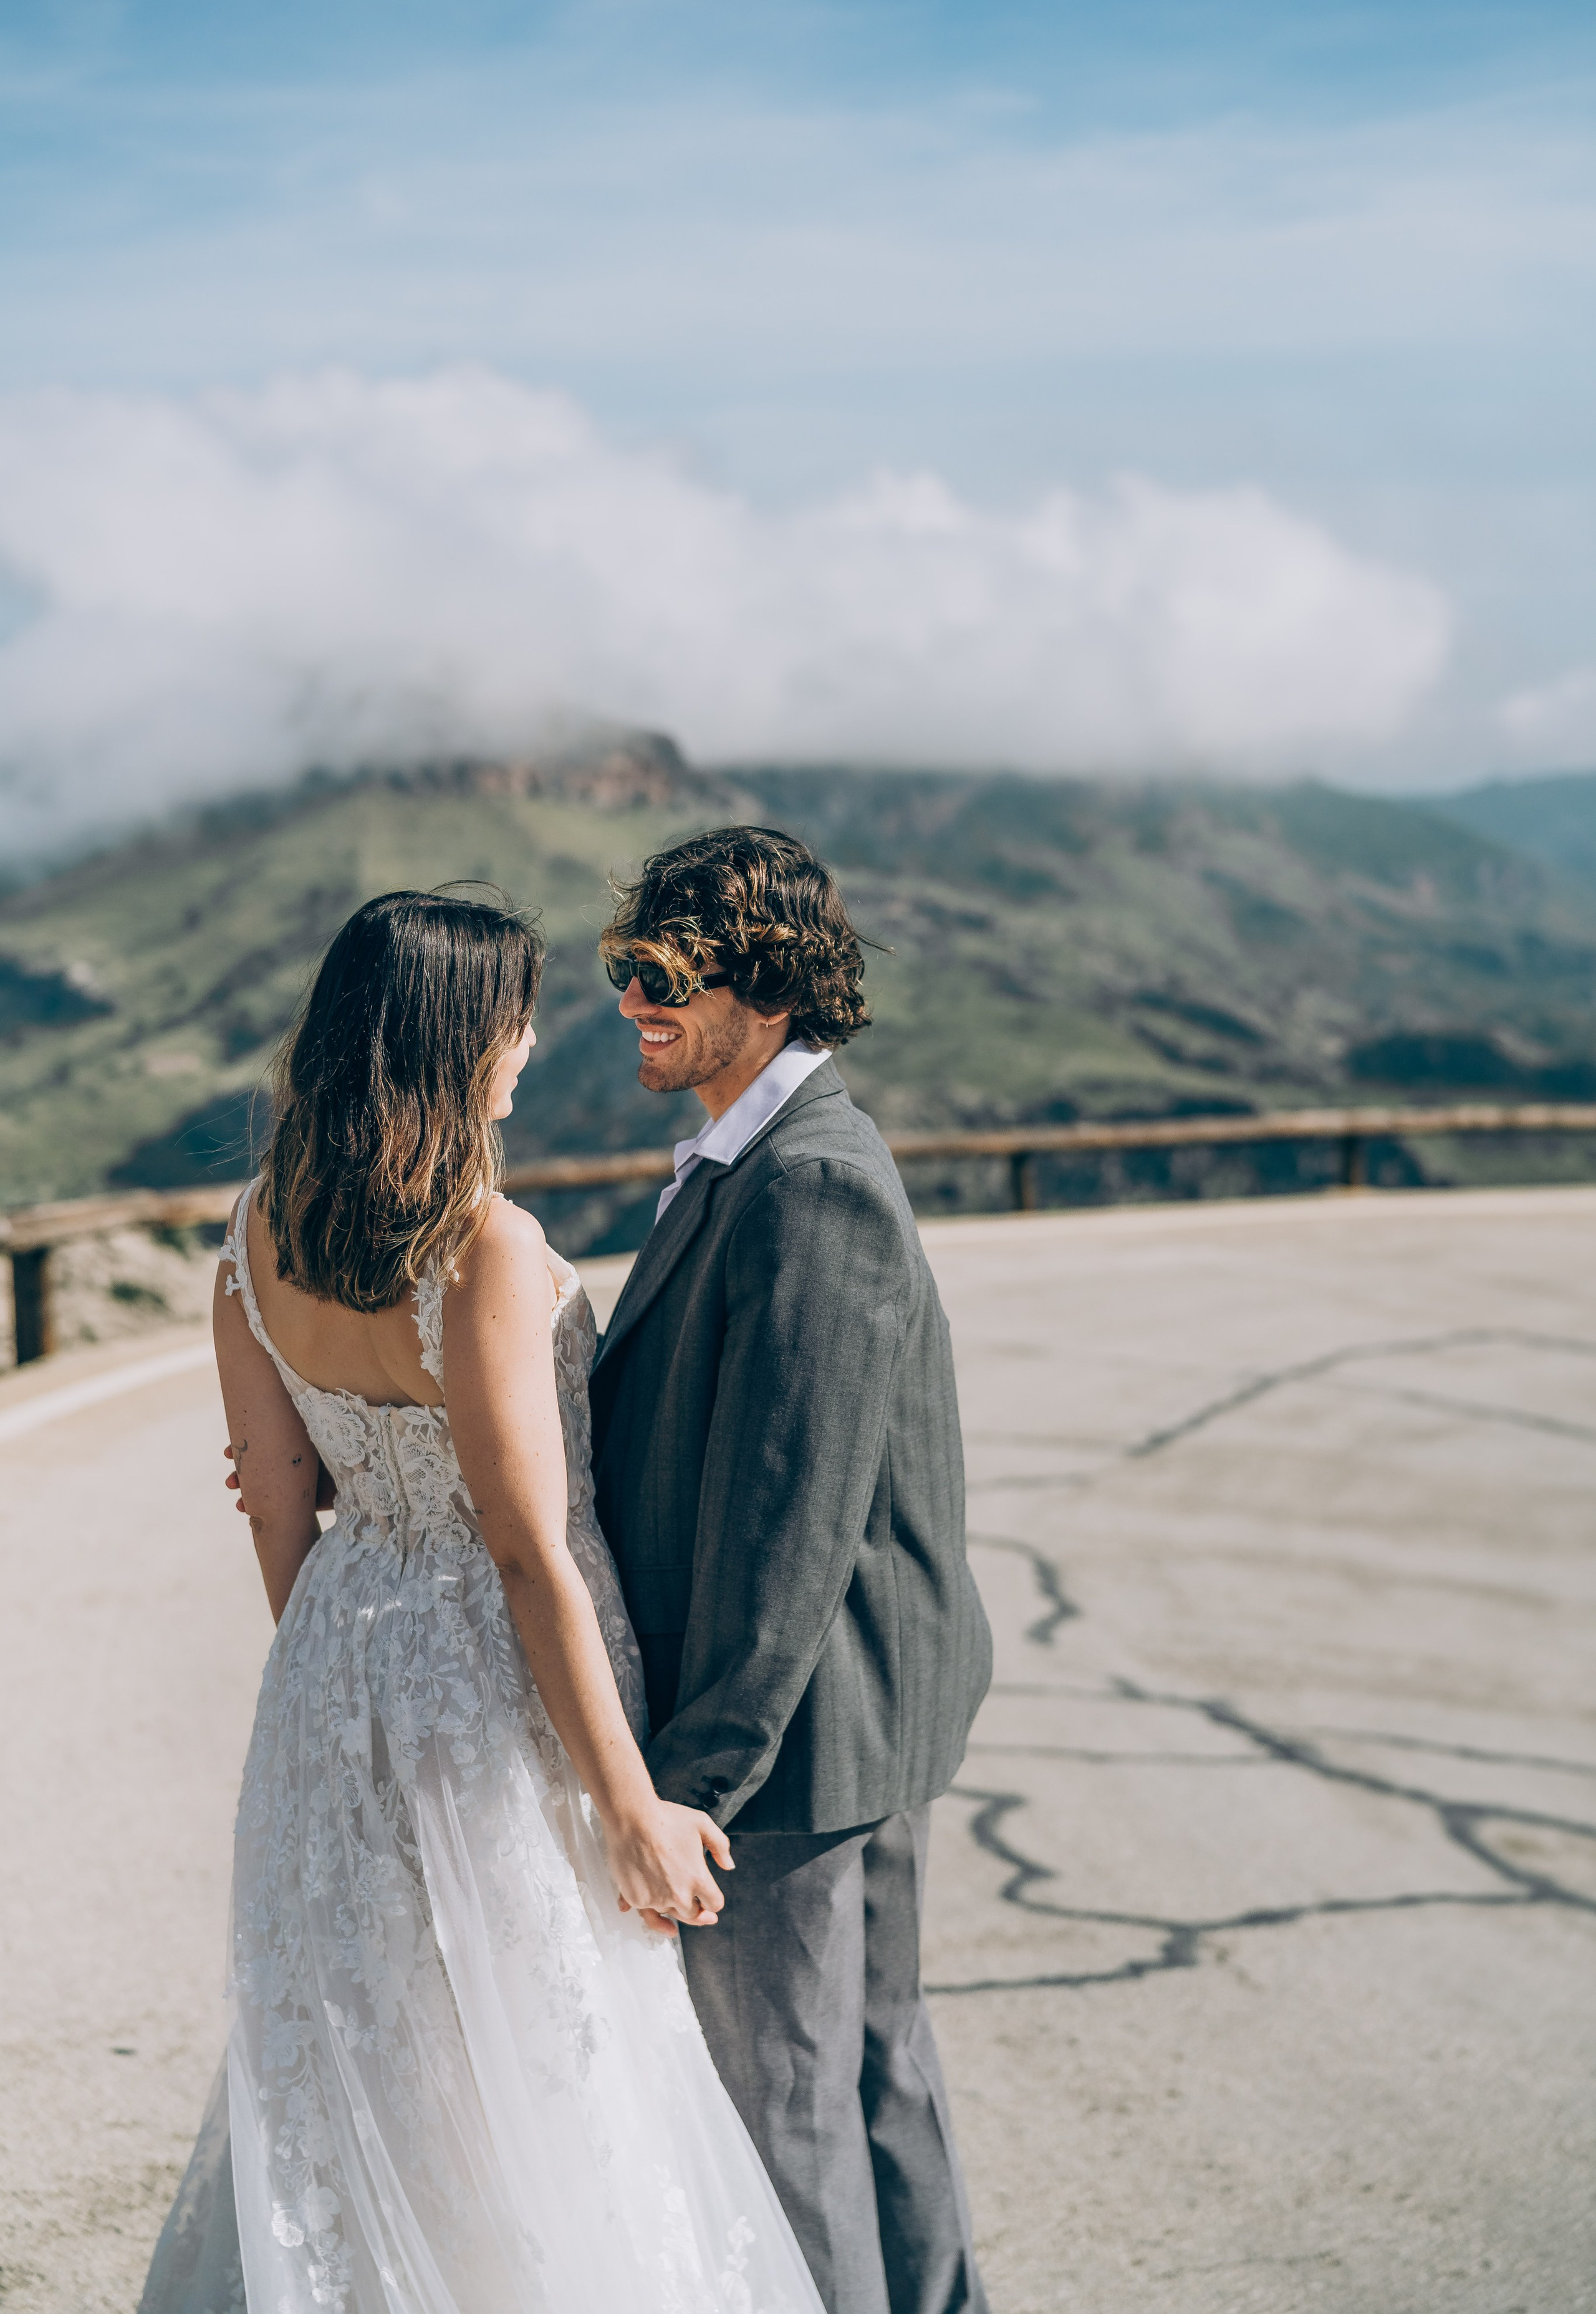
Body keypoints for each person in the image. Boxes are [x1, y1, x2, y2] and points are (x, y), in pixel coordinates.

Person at [142, 889, 825, 2314]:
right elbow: (525, 1548)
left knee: (369, 2036)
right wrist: (632, 1804)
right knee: (531, 2032)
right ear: (458, 1038)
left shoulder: (257, 1224)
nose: (529, 1040)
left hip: (332, 1658)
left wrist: (336, 1669)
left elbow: (276, 1499)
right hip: (492, 1660)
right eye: (512, 1014)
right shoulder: (483, 1245)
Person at [589, 827, 993, 2314]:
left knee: (791, 2108)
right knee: (874, 2072)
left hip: (796, 1743)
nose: (626, 1001)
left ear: (757, 987)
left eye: (655, 976)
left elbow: (789, 1522)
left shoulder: (809, 1182)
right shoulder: (745, 1155)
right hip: (846, 1721)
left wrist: (695, 1784)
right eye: (618, 972)